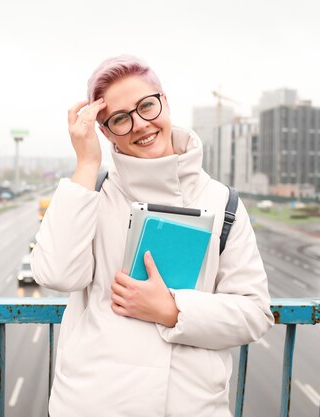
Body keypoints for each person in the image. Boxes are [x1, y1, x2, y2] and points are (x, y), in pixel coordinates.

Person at [32, 55, 274, 417]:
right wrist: (86, 164)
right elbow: (57, 275)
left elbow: (254, 313)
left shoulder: (223, 203)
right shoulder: (92, 195)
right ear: (106, 131)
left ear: (165, 101)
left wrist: (173, 310)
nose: (140, 124)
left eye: (146, 106)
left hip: (191, 406)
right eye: (120, 118)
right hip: (94, 405)